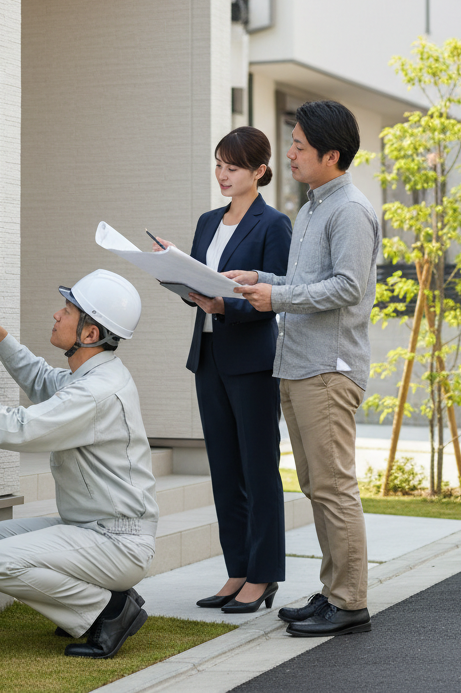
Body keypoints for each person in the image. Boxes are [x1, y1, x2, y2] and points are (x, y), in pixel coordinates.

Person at [0, 270, 158, 659]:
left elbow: (13, 430)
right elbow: (45, 381)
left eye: (66, 311)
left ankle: (109, 612)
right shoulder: (96, 374)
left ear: (90, 334)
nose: (56, 315)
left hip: (116, 541)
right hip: (96, 529)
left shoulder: (96, 392)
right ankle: (107, 597)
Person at [226, 101, 380, 638]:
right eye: (291, 143)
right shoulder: (313, 206)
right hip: (297, 366)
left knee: (334, 487)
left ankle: (350, 602)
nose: (288, 154)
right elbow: (307, 280)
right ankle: (334, 591)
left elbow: (347, 286)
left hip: (327, 369)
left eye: (299, 146)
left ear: (331, 155)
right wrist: (261, 277)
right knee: (317, 485)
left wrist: (277, 295)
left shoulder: (350, 210)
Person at [155, 127, 292, 613]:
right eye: (218, 165)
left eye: (232, 167)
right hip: (209, 357)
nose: (223, 175)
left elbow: (275, 298)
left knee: (259, 470)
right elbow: (200, 282)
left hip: (252, 360)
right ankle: (237, 571)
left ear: (259, 171)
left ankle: (264, 576)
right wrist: (174, 268)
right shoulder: (208, 221)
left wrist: (224, 307)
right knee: (224, 471)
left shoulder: (274, 225)